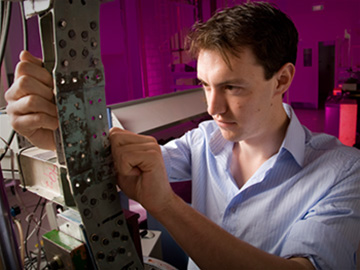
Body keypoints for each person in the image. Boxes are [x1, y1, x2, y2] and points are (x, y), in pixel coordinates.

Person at [5, 2, 360, 269]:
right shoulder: (203, 139)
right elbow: (116, 157)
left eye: (232, 87)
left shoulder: (343, 171)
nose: (212, 108)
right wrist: (56, 130)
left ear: (281, 80)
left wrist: (167, 205)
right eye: (205, 85)